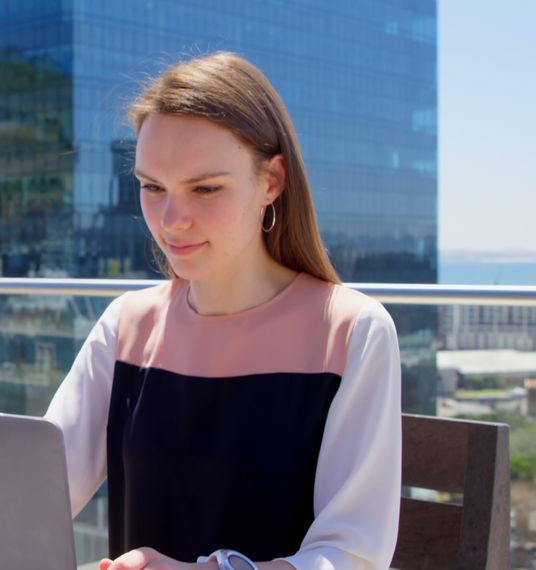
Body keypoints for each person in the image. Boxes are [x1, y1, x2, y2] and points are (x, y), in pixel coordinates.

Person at [44, 51, 402, 570]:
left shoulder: (350, 333)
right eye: (152, 187)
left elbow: (352, 555)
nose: (171, 220)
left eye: (205, 188)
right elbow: (36, 491)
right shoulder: (127, 326)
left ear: (272, 181)